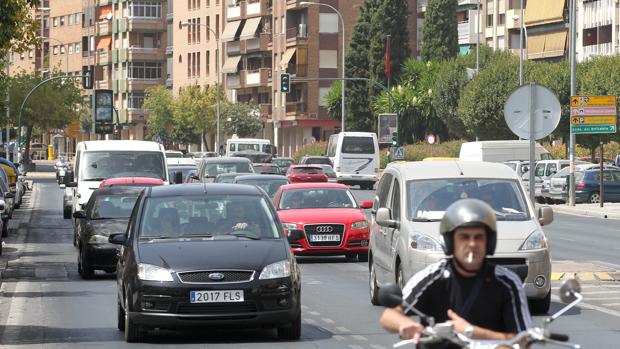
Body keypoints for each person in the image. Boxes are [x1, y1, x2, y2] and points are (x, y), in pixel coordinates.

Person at [379, 199, 532, 347]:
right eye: (464, 237)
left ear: (489, 241)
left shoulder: (507, 283)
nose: (472, 244)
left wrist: (472, 332)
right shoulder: (432, 277)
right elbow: (389, 315)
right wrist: (406, 324)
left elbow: (523, 340)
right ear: (450, 241)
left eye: (478, 237)